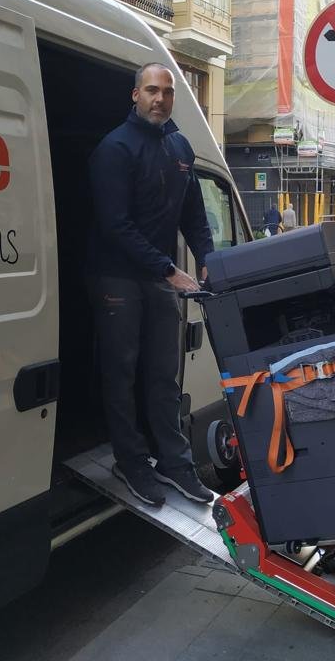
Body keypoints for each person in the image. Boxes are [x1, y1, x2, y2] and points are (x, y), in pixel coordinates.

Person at [87, 62, 215, 507]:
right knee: (121, 374)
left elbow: (194, 214)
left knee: (164, 373)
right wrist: (168, 269)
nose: (160, 99)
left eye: (167, 92)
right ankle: (132, 462)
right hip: (118, 277)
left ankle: (176, 464)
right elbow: (115, 226)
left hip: (160, 277)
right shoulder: (114, 149)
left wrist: (207, 259)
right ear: (135, 96)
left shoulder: (180, 146)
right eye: (152, 91)